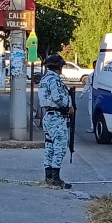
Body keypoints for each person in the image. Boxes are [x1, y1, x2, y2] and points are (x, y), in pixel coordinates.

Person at [38, 54, 73, 189]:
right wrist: (68, 106)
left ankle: (48, 177)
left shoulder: (44, 79)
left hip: (48, 116)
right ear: (59, 67)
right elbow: (58, 97)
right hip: (57, 117)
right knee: (59, 147)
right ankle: (55, 179)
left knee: (50, 147)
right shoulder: (54, 79)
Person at [80, 62, 95, 133]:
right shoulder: (91, 75)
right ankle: (92, 126)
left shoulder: (101, 76)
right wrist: (83, 92)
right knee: (90, 112)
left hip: (98, 96)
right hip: (91, 96)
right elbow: (87, 85)